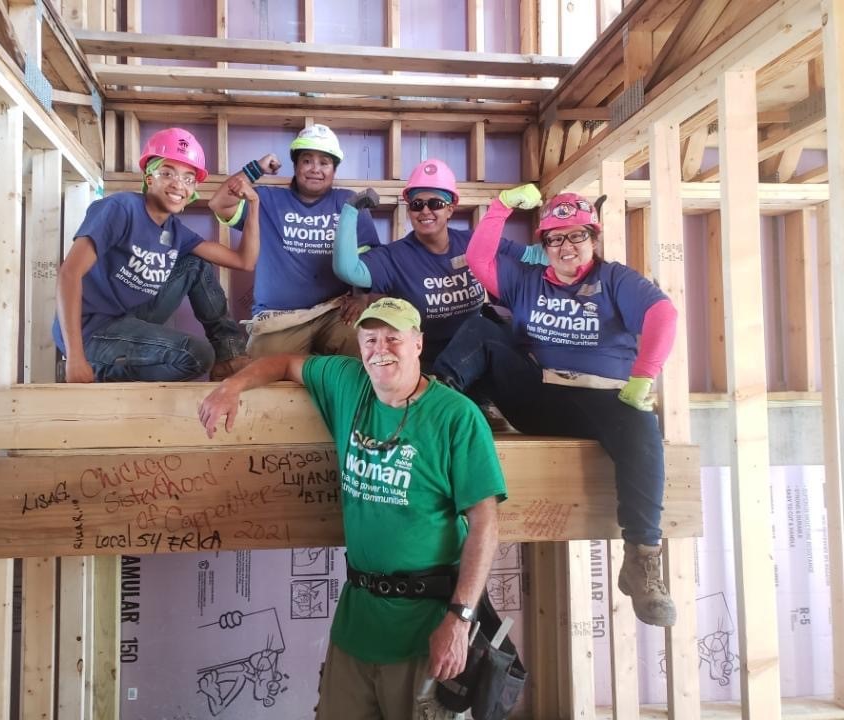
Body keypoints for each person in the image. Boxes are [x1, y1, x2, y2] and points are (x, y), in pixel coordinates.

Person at [198, 297, 506, 719]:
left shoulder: (456, 417)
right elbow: (285, 363)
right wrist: (232, 386)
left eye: (393, 339)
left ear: (418, 343)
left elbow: (485, 523)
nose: (381, 349)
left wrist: (459, 620)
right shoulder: (348, 383)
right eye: (371, 338)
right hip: (357, 622)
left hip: (426, 627)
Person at [432, 188, 679, 627]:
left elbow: (663, 314)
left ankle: (642, 560)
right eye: (555, 239)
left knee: (644, 433)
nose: (567, 247)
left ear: (593, 238)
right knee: (483, 327)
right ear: (543, 246)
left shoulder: (616, 279)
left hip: (605, 399)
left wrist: (644, 375)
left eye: (576, 236)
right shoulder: (528, 280)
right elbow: (479, 258)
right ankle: (434, 408)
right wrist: (502, 206)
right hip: (539, 395)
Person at [55, 127, 257, 383]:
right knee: (196, 355)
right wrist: (75, 357)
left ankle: (229, 357)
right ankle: (101, 371)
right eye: (167, 173)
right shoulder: (120, 209)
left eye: (188, 178)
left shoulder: (175, 231)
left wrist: (254, 204)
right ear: (150, 178)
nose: (178, 184)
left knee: (194, 263)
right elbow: (69, 274)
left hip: (129, 317)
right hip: (92, 331)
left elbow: (244, 261)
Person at [332, 158, 545, 367]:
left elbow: (532, 256)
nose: (425, 211)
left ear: (450, 209)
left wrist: (564, 231)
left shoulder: (474, 243)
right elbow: (348, 270)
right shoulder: (395, 257)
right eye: (417, 205)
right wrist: (351, 211)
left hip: (476, 348)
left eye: (435, 204)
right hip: (427, 357)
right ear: (410, 211)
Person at [208, 124, 381, 358]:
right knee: (260, 376)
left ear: (334, 170)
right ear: (296, 165)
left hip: (334, 312)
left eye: (324, 163)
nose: (315, 169)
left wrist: (361, 298)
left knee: (364, 353)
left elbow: (367, 259)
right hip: (279, 318)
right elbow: (219, 203)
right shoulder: (267, 200)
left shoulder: (348, 202)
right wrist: (255, 169)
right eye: (307, 160)